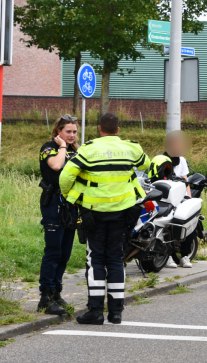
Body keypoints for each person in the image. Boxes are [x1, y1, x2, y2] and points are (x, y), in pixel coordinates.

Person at [59, 113, 151, 325]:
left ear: (99, 129)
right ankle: (116, 312)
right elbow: (145, 164)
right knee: (116, 258)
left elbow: (66, 176)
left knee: (96, 259)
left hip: (94, 213)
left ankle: (95, 311)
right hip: (123, 213)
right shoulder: (131, 148)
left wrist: (69, 196)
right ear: (118, 130)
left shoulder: (88, 150)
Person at [37, 115, 80, 316]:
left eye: (74, 131)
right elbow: (55, 166)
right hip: (53, 203)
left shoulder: (75, 151)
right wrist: (62, 146)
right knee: (53, 251)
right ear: (58, 132)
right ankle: (45, 297)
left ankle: (56, 292)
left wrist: (76, 149)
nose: (72, 135)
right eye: (68, 131)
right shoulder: (49, 148)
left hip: (71, 205)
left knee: (65, 252)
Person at [147, 131, 195, 269]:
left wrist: (189, 198)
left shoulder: (183, 161)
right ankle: (167, 256)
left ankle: (185, 256)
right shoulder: (161, 160)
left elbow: (186, 181)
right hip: (166, 198)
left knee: (188, 221)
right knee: (167, 225)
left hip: (180, 197)